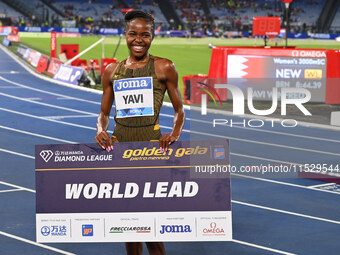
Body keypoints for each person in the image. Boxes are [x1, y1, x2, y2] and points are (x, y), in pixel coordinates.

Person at [94, 10, 185, 255]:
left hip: (151, 151)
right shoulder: (112, 71)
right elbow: (103, 113)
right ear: (125, 35)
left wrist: (174, 133)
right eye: (133, 34)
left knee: (151, 224)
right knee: (128, 225)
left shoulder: (164, 67)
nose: (138, 39)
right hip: (119, 150)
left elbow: (179, 110)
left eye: (145, 35)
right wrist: (101, 130)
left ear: (153, 37)